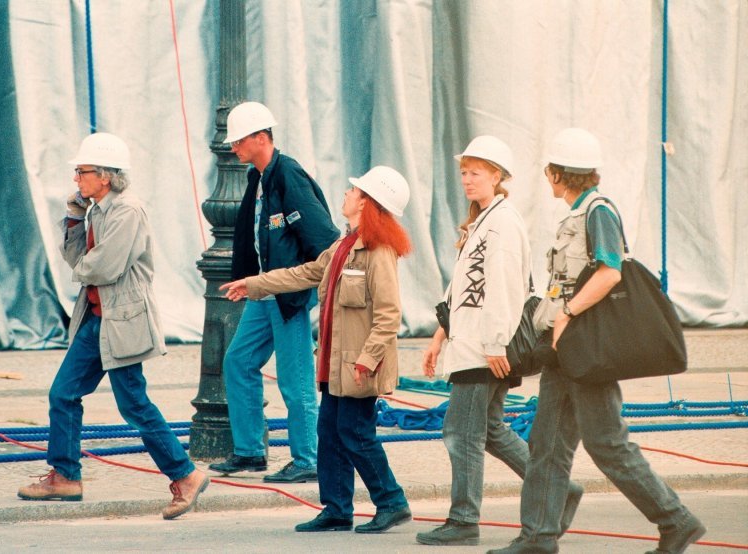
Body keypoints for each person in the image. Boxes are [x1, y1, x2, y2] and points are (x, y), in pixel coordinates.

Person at [488, 128, 706, 554]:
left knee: (607, 443)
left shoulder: (598, 212)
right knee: (546, 444)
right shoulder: (577, 213)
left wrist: (568, 315)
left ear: (556, 173)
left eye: (548, 170)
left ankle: (676, 520)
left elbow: (610, 271)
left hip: (585, 348)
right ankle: (538, 536)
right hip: (562, 350)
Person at [17, 133, 208, 520]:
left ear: (105, 176)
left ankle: (185, 475)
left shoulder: (127, 212)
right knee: (63, 394)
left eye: (82, 171)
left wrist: (83, 266)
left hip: (122, 323)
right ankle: (66, 475)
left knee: (134, 404)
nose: (76, 178)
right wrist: (73, 219)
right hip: (97, 321)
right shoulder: (97, 211)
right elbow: (78, 258)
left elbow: (103, 266)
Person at [220, 165, 413, 534]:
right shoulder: (343, 246)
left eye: (353, 190)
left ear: (367, 203)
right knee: (330, 434)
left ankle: (391, 501)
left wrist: (368, 359)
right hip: (335, 364)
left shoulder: (379, 252)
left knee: (356, 435)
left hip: (358, 366)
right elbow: (303, 273)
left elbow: (389, 315)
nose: (345, 193)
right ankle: (337, 508)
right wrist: (255, 284)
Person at [415, 136, 582, 547]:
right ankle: (559, 489)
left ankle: (464, 519)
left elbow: (506, 287)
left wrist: (493, 344)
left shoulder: (503, 223)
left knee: (460, 432)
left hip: (485, 347)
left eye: (475, 172)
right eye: (464, 172)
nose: (467, 179)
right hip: (471, 343)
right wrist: (440, 336)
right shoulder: (484, 220)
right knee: (488, 429)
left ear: (497, 176)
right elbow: (463, 292)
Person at [209, 102, 339, 483]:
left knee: (294, 379)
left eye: (238, 141)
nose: (232, 148)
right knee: (238, 362)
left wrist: (309, 289)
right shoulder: (259, 178)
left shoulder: (289, 177)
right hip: (264, 292)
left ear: (261, 138)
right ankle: (250, 452)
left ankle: (308, 459)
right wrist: (248, 281)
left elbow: (324, 241)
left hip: (288, 295)